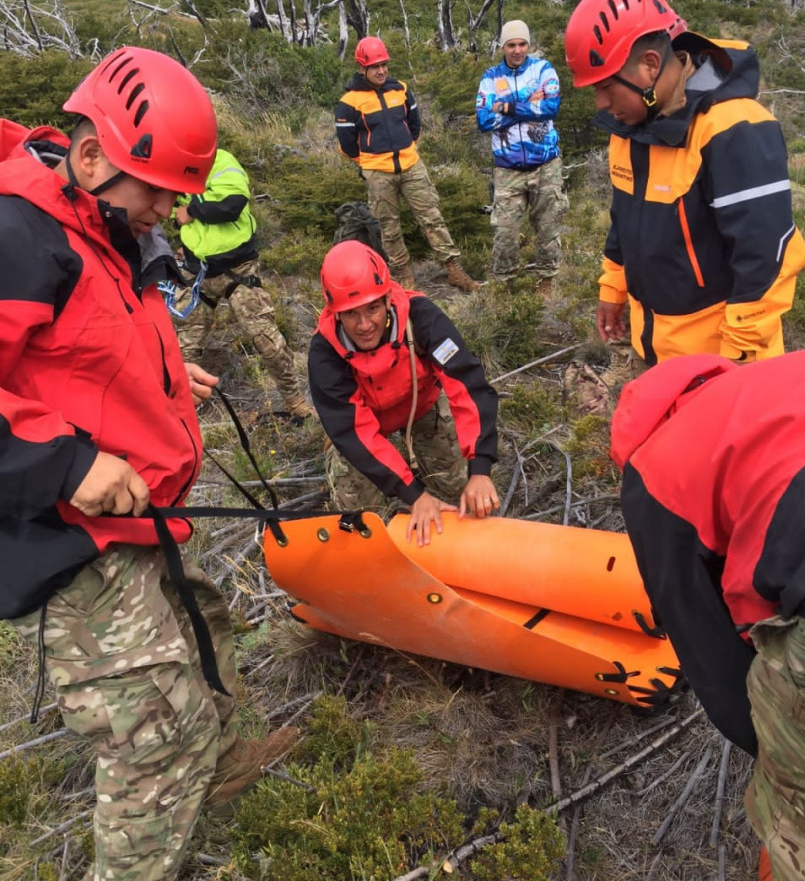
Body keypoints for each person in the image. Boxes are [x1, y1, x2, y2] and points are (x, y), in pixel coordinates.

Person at [0, 47, 296, 881]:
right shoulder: (20, 234)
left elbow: (82, 342)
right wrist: (62, 468)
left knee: (205, 629)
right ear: (91, 157)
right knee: (153, 741)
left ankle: (227, 765)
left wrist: (163, 376)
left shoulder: (100, 219)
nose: (168, 209)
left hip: (140, 505)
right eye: (157, 190)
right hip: (72, 532)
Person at [610, 350, 805, 881]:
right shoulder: (781, 381)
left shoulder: (657, 468)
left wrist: (773, 749)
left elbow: (707, 649)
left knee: (802, 827)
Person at [565, 0, 805, 367]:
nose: (600, 103)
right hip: (654, 354)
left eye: (607, 87)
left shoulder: (733, 129)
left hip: (722, 363)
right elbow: (623, 221)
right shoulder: (628, 130)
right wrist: (613, 287)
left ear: (649, 66)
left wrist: (735, 363)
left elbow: (766, 257)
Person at [308, 240, 500, 547]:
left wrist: (480, 467)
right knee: (362, 518)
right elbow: (354, 432)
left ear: (386, 298)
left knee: (455, 488)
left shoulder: (421, 317)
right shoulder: (324, 353)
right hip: (367, 426)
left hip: (419, 406)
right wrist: (414, 495)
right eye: (351, 314)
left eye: (373, 308)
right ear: (334, 313)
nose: (365, 324)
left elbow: (467, 385)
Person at [173, 145, 312, 420]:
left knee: (265, 339)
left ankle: (295, 402)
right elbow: (173, 212)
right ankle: (180, 408)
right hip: (197, 271)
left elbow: (232, 206)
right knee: (184, 347)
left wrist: (193, 209)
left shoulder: (223, 161)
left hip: (237, 269)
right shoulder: (174, 169)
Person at [335, 36, 480, 292]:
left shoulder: (400, 89)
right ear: (362, 68)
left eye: (384, 64)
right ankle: (403, 276)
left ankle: (454, 270)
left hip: (411, 166)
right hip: (378, 172)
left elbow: (414, 125)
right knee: (388, 227)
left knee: (432, 218)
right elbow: (346, 144)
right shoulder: (349, 102)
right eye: (374, 66)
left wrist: (407, 149)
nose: (381, 71)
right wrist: (368, 162)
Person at [475, 19, 567, 287]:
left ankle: (547, 283)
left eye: (522, 44)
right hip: (507, 168)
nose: (517, 50)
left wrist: (506, 108)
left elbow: (551, 108)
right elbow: (483, 120)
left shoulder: (543, 70)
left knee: (548, 228)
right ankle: (505, 285)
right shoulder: (491, 78)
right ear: (502, 46)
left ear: (529, 44)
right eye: (511, 44)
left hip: (546, 164)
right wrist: (527, 103)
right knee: (504, 233)